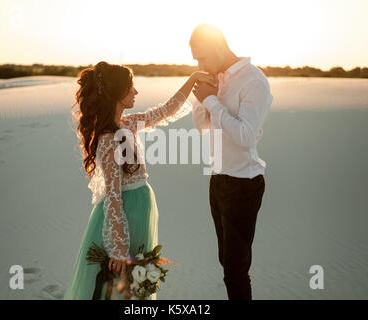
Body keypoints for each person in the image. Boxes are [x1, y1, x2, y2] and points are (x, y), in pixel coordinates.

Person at [63, 61, 216, 299]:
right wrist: (119, 248)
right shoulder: (107, 140)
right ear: (117, 92)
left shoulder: (129, 123)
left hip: (140, 208)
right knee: (120, 287)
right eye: (130, 86)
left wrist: (193, 78)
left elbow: (167, 110)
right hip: (125, 215)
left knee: (135, 288)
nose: (135, 91)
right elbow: (113, 197)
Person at [190, 24, 273, 300]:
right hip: (218, 180)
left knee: (235, 271)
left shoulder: (253, 80)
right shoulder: (217, 78)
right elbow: (202, 125)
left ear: (218, 47)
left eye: (201, 57)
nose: (199, 65)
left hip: (243, 185)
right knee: (227, 263)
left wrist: (212, 101)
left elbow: (246, 136)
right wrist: (201, 99)